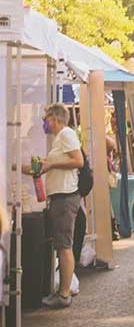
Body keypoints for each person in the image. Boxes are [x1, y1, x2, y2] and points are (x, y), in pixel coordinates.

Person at [26, 103, 84, 309]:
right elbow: (50, 165)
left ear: (57, 119)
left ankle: (64, 294)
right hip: (60, 197)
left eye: (47, 119)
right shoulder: (60, 139)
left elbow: (79, 161)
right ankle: (63, 292)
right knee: (62, 245)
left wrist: (51, 165)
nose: (45, 122)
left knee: (64, 246)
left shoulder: (66, 134)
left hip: (65, 197)